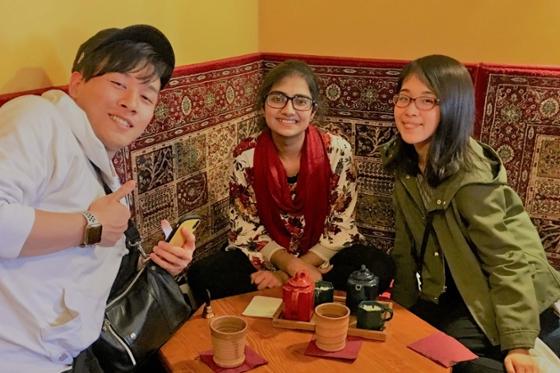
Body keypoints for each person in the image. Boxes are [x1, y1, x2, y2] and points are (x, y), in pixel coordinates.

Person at [0, 25, 195, 372]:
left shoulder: (94, 156)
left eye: (147, 96)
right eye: (118, 83)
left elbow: (79, 259)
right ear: (76, 83)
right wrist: (89, 225)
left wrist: (160, 261)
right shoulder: (36, 117)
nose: (131, 104)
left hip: (72, 356)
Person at [383, 54, 560, 373]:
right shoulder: (406, 163)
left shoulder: (469, 178)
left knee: (447, 360)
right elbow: (405, 246)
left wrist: (518, 344)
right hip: (449, 290)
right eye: (405, 98)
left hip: (496, 293)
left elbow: (507, 259)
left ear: (452, 109)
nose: (410, 110)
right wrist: (400, 308)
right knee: (402, 346)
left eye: (427, 101)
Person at [188, 60, 394, 301]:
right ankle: (306, 289)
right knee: (202, 274)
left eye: (300, 101)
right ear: (263, 105)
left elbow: (342, 226)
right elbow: (246, 229)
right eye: (278, 99)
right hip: (266, 256)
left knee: (379, 268)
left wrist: (291, 274)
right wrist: (288, 265)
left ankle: (286, 288)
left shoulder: (337, 151)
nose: (288, 110)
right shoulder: (246, 155)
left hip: (323, 257)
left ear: (313, 111)